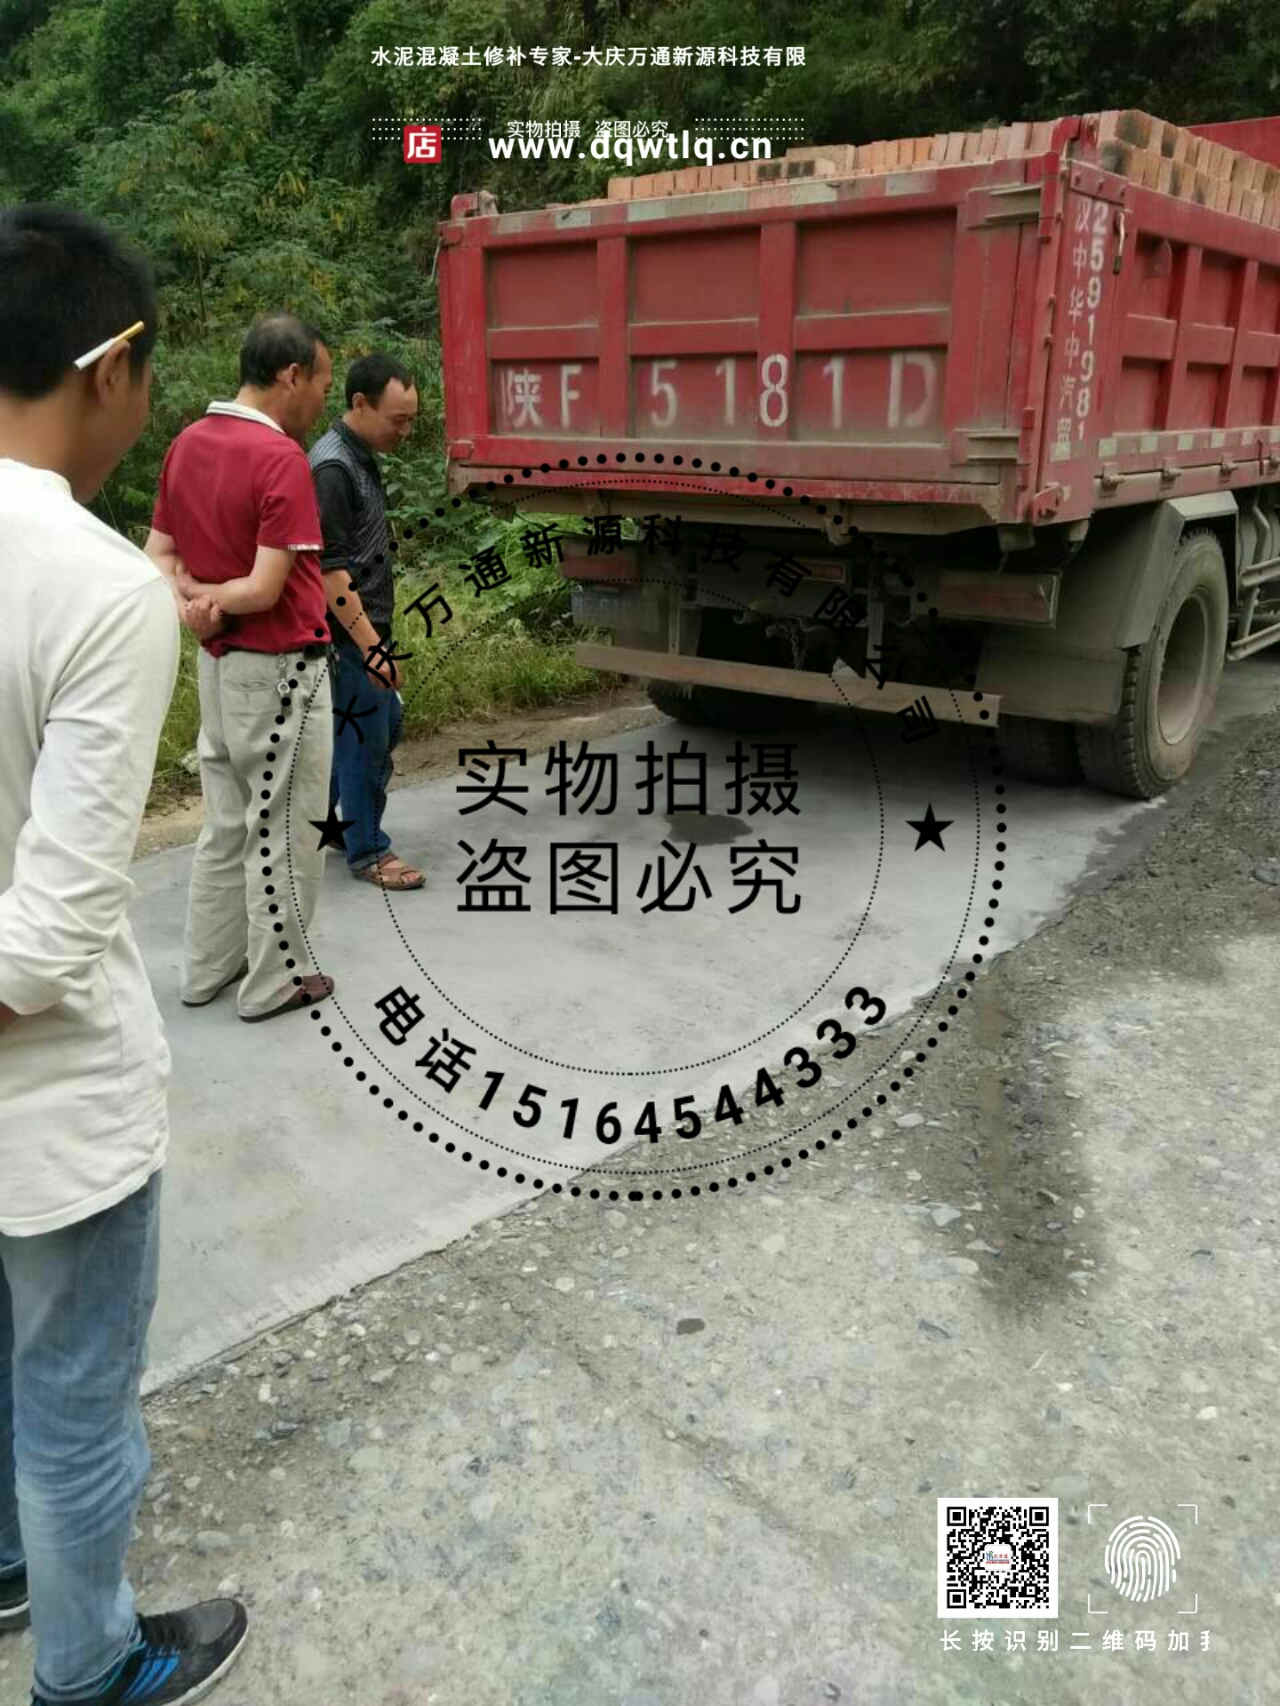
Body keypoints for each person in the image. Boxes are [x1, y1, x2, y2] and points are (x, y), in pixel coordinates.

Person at [0, 204, 248, 1704]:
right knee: (76, 1398)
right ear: (112, 368)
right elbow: (44, 939)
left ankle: (9, 1565)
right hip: (55, 1106)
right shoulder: (97, 588)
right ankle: (87, 1668)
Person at [144, 313, 340, 1022]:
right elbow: (263, 588)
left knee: (227, 823)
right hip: (281, 668)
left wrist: (193, 606)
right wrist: (217, 603)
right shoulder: (280, 457)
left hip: (221, 669)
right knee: (286, 828)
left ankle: (207, 969)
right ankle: (273, 982)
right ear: (291, 375)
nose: (321, 399)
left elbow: (157, 556)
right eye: (321, 384)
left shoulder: (188, 443)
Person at [309, 352, 424, 888]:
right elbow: (329, 571)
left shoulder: (357, 455)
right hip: (348, 635)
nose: (406, 431)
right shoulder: (333, 469)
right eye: (398, 419)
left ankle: (326, 821)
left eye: (411, 419)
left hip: (364, 631)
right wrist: (371, 646)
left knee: (376, 727)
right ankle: (368, 851)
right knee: (366, 740)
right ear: (360, 403)